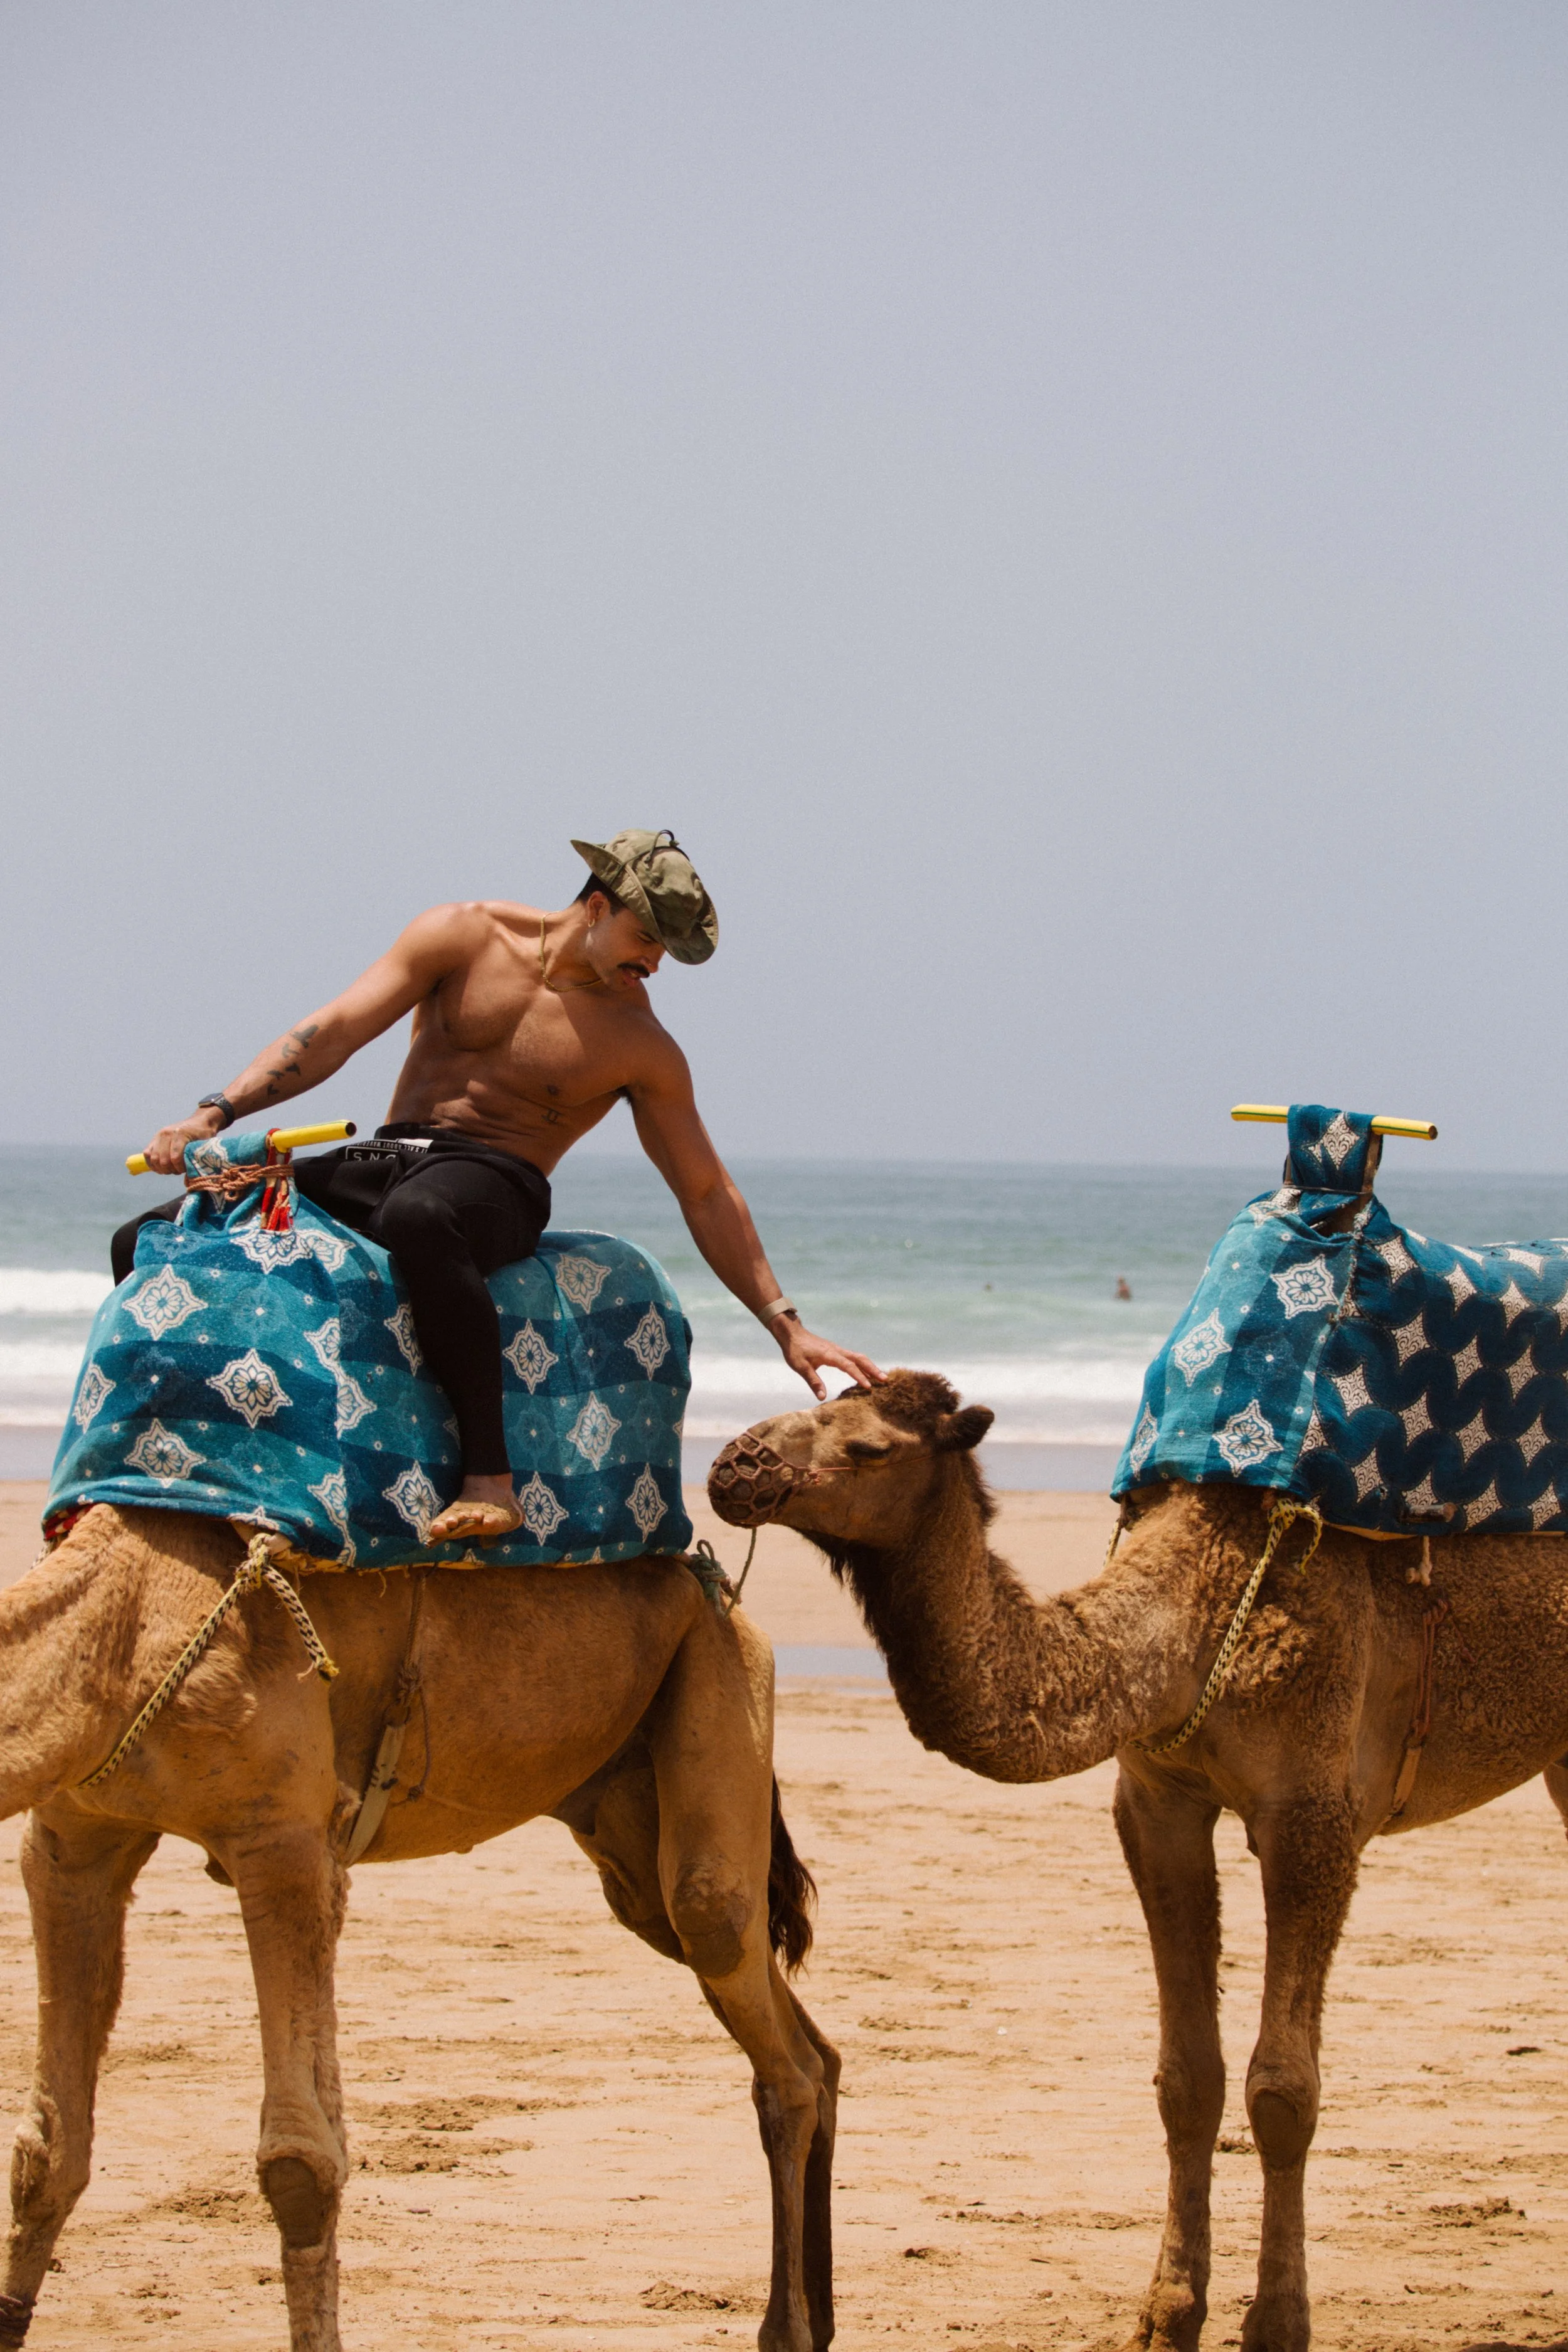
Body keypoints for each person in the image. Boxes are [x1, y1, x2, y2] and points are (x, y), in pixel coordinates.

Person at [115, 829, 884, 1543]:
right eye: (647, 938)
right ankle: (173, 1446)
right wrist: (214, 1113)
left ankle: (489, 1480)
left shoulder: (639, 1043)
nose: (653, 964)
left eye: (668, 950)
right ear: (596, 906)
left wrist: (785, 1324)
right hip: (389, 1151)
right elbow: (337, 1029)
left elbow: (705, 1190)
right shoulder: (463, 934)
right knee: (155, 1233)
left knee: (422, 1214)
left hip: (498, 1178)